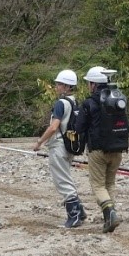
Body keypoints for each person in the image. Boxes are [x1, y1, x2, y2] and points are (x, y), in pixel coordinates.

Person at [33, 69, 87, 228]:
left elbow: (53, 127)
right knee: (66, 177)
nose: (56, 86)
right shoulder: (74, 102)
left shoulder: (60, 104)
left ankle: (74, 216)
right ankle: (80, 211)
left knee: (62, 181)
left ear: (66, 86)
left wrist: (39, 143)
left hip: (58, 146)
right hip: (69, 146)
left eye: (58, 84)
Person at [74, 66, 123, 233]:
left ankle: (110, 214)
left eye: (89, 83)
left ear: (94, 84)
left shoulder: (89, 103)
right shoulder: (117, 99)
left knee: (98, 185)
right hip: (117, 149)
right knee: (110, 183)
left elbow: (79, 127)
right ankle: (109, 217)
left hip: (97, 150)